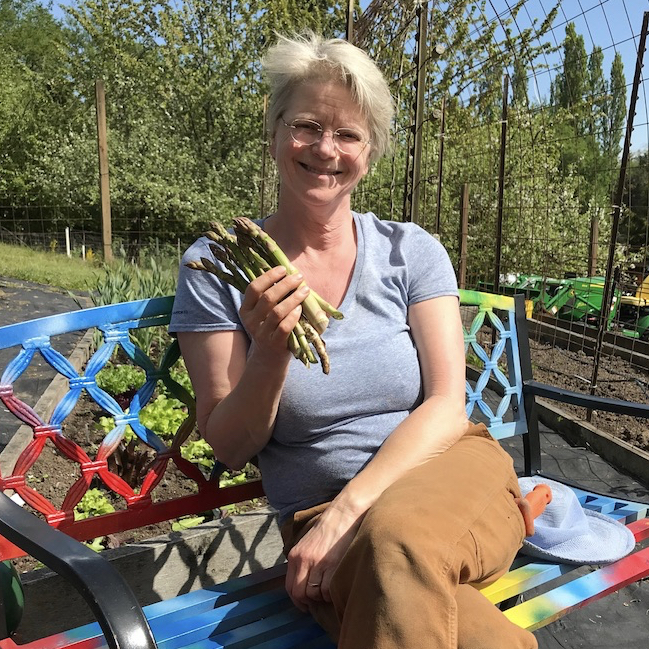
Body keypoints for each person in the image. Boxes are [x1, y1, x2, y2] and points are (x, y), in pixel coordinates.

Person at [169, 31, 537, 649]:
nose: (325, 149)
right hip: (325, 525)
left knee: (393, 538)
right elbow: (230, 445)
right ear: (275, 130)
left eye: (348, 134)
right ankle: (479, 531)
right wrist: (272, 355)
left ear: (371, 152)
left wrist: (350, 512)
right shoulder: (222, 265)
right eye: (308, 125)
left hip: (448, 475)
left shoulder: (410, 251)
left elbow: (448, 404)